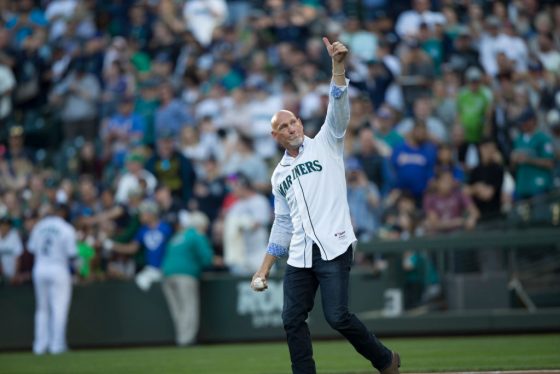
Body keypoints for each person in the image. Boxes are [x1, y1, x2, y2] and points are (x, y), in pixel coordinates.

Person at [251, 38, 400, 374]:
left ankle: (385, 359)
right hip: (301, 253)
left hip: (333, 244)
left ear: (301, 124)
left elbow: (339, 108)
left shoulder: (326, 143)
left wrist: (337, 67)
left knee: (337, 317)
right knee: (291, 318)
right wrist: (264, 269)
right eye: (283, 127)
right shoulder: (278, 176)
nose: (291, 128)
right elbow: (283, 224)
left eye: (294, 122)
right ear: (275, 136)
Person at [27, 203, 77, 355]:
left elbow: (31, 248)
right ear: (63, 213)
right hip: (58, 268)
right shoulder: (66, 228)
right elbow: (72, 254)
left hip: (40, 267)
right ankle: (57, 346)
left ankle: (39, 346)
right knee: (59, 308)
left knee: (42, 309)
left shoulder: (40, 226)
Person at [161, 211, 214, 346]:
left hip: (167, 275)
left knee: (178, 310)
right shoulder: (196, 235)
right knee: (189, 308)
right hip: (185, 275)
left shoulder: (178, 236)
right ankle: (186, 341)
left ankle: (181, 338)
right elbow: (207, 258)